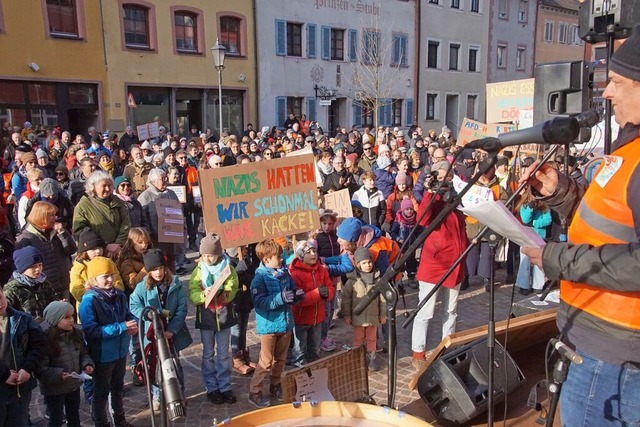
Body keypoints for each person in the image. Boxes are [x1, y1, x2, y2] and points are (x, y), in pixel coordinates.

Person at [520, 26, 640, 427]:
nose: (606, 93)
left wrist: (557, 258)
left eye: (618, 83)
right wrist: (564, 194)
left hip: (615, 362)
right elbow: (611, 226)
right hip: (596, 345)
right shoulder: (629, 146)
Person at [410, 160, 468, 370]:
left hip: (455, 261)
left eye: (448, 175)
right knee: (425, 311)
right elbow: (423, 220)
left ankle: (447, 346)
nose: (446, 179)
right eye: (441, 175)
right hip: (434, 263)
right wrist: (430, 193)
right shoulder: (433, 197)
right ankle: (418, 352)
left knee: (451, 311)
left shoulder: (458, 195)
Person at [129, 248, 192, 410]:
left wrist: (172, 330)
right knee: (154, 366)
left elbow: (181, 309)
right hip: (152, 335)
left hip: (171, 334)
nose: (158, 273)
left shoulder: (175, 284)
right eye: (153, 270)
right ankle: (157, 395)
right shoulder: (142, 287)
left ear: (165, 268)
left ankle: (179, 394)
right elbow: (134, 305)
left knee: (174, 364)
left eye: (160, 268)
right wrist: (148, 315)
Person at [78, 256, 137, 427]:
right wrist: (121, 327)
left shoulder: (119, 295)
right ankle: (101, 423)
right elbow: (91, 331)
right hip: (102, 355)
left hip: (120, 351)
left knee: (118, 388)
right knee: (101, 392)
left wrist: (133, 324)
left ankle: (120, 420)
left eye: (112, 274)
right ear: (94, 279)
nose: (110, 279)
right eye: (105, 276)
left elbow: (127, 314)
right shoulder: (88, 301)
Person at [188, 234, 238, 405]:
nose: (207, 258)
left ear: (218, 253)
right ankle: (212, 387)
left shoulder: (227, 269)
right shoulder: (199, 271)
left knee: (224, 354)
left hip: (223, 317)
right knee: (208, 354)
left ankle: (225, 386)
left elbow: (233, 285)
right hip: (207, 318)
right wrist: (203, 295)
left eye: (210, 255)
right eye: (204, 255)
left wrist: (225, 293)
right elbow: (193, 292)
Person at [247, 239, 296, 408]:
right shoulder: (259, 279)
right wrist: (280, 298)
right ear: (266, 259)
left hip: (285, 323)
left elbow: (292, 289)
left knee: (280, 359)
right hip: (269, 326)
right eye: (278, 256)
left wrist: (297, 294)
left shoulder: (284, 273)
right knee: (266, 360)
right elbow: (260, 301)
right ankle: (255, 390)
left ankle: (275, 385)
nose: (281, 259)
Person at [38, 301, 94, 427]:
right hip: (54, 389)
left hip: (72, 386)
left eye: (72, 316)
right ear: (55, 319)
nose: (71, 320)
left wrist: (86, 364)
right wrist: (58, 374)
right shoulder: (45, 340)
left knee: (74, 416)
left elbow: (83, 353)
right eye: (66, 317)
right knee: (56, 419)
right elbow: (40, 368)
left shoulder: (76, 334)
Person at [0, 287, 46, 427]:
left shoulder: (22, 319)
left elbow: (38, 345)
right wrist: (4, 375)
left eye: (0, 297)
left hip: (19, 386)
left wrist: (27, 368)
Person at [17, 201, 77, 300]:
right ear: (41, 217)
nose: (55, 218)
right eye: (51, 216)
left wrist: (63, 234)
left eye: (55, 215)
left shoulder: (57, 231)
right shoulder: (26, 238)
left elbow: (71, 250)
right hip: (45, 290)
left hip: (64, 284)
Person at [289, 240, 333, 367]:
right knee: (300, 350)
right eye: (309, 252)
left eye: (314, 251)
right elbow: (299, 299)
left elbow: (330, 287)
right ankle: (299, 373)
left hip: (317, 318)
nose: (313, 254)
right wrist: (317, 293)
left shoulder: (322, 270)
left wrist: (327, 294)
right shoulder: (295, 274)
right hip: (301, 319)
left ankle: (315, 373)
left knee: (315, 348)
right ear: (301, 256)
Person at [341, 247, 386, 371]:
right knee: (358, 338)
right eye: (364, 263)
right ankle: (357, 359)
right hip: (358, 317)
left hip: (373, 316)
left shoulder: (378, 279)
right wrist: (347, 315)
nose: (368, 265)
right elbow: (346, 299)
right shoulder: (352, 281)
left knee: (372, 338)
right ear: (358, 264)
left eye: (369, 262)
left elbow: (382, 299)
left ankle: (372, 358)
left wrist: (383, 314)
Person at [72, 170, 130, 259]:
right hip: (97, 255)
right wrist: (105, 246)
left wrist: (118, 245)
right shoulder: (83, 206)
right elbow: (80, 232)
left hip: (119, 252)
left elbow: (126, 224)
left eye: (109, 185)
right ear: (93, 187)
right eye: (104, 186)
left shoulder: (117, 201)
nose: (107, 189)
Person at [69, 228, 124, 312]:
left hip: (112, 307)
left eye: (99, 247)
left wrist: (111, 295)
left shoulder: (108, 263)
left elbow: (118, 283)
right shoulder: (78, 268)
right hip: (89, 309)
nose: (98, 251)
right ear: (85, 251)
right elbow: (76, 290)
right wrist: (96, 298)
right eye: (93, 249)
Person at [3, 246, 58, 323]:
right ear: (23, 268)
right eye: (33, 267)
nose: (38, 269)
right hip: (24, 330)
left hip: (46, 327)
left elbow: (53, 302)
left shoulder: (44, 283)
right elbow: (7, 315)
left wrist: (59, 306)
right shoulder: (12, 289)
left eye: (40, 265)